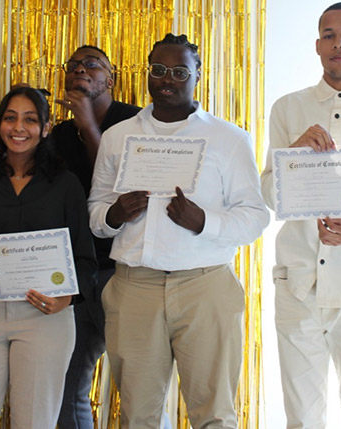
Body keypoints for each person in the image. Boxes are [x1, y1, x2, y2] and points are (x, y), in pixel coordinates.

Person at [88, 33, 269, 428]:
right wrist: (115, 214)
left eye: (179, 71)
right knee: (137, 416)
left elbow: (255, 216)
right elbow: (95, 215)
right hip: (134, 288)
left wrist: (204, 222)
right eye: (158, 70)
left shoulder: (229, 139)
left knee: (215, 414)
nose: (166, 79)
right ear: (147, 73)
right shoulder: (118, 137)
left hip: (205, 288)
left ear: (198, 75)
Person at [0, 86, 98, 428]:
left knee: (33, 422)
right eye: (10, 118)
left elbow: (85, 260)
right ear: (0, 124)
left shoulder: (66, 185)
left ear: (46, 128)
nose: (19, 128)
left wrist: (67, 298)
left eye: (30, 120)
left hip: (44, 312)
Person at [261, 2, 341, 429]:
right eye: (328, 34)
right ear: (317, 46)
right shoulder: (289, 108)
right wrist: (295, 154)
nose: (338, 42)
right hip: (298, 284)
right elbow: (269, 194)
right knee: (302, 418)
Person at [52, 45, 140, 429]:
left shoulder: (135, 123)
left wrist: (89, 124)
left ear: (111, 78)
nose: (79, 71)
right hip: (72, 275)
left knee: (139, 388)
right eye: (72, 66)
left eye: (91, 65)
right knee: (66, 386)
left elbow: (119, 188)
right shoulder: (57, 134)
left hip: (121, 272)